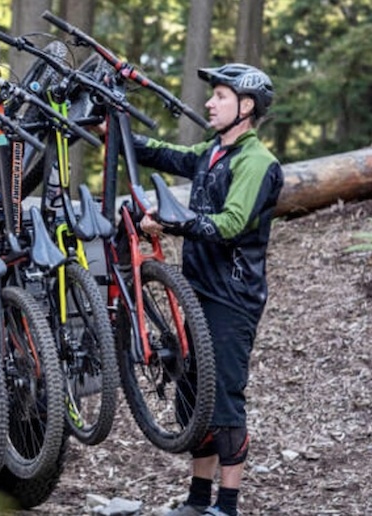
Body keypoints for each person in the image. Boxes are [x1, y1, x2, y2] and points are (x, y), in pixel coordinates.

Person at [134, 63, 284, 516]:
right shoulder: (212, 152)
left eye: (220, 95)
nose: (209, 103)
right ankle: (199, 501)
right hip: (196, 293)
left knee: (223, 399)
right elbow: (166, 154)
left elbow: (233, 223)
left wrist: (177, 221)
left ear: (246, 105)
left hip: (231, 298)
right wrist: (113, 130)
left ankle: (228, 506)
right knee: (193, 397)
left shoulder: (259, 162)